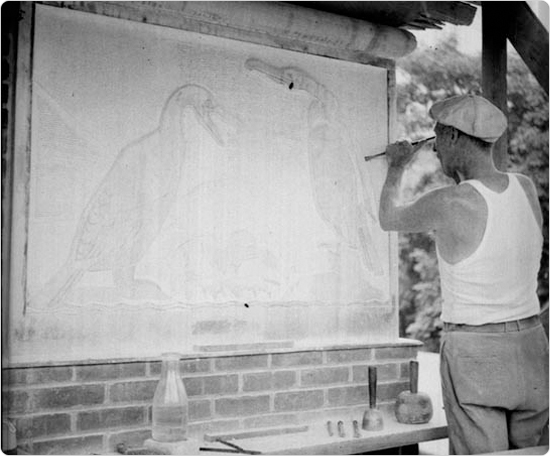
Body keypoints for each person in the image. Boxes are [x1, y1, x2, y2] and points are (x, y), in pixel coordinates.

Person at [378, 94, 548, 455]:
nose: (436, 149)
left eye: (438, 137)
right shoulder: (526, 188)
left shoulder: (450, 202)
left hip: (476, 354)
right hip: (533, 349)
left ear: (454, 137)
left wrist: (397, 166)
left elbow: (388, 218)